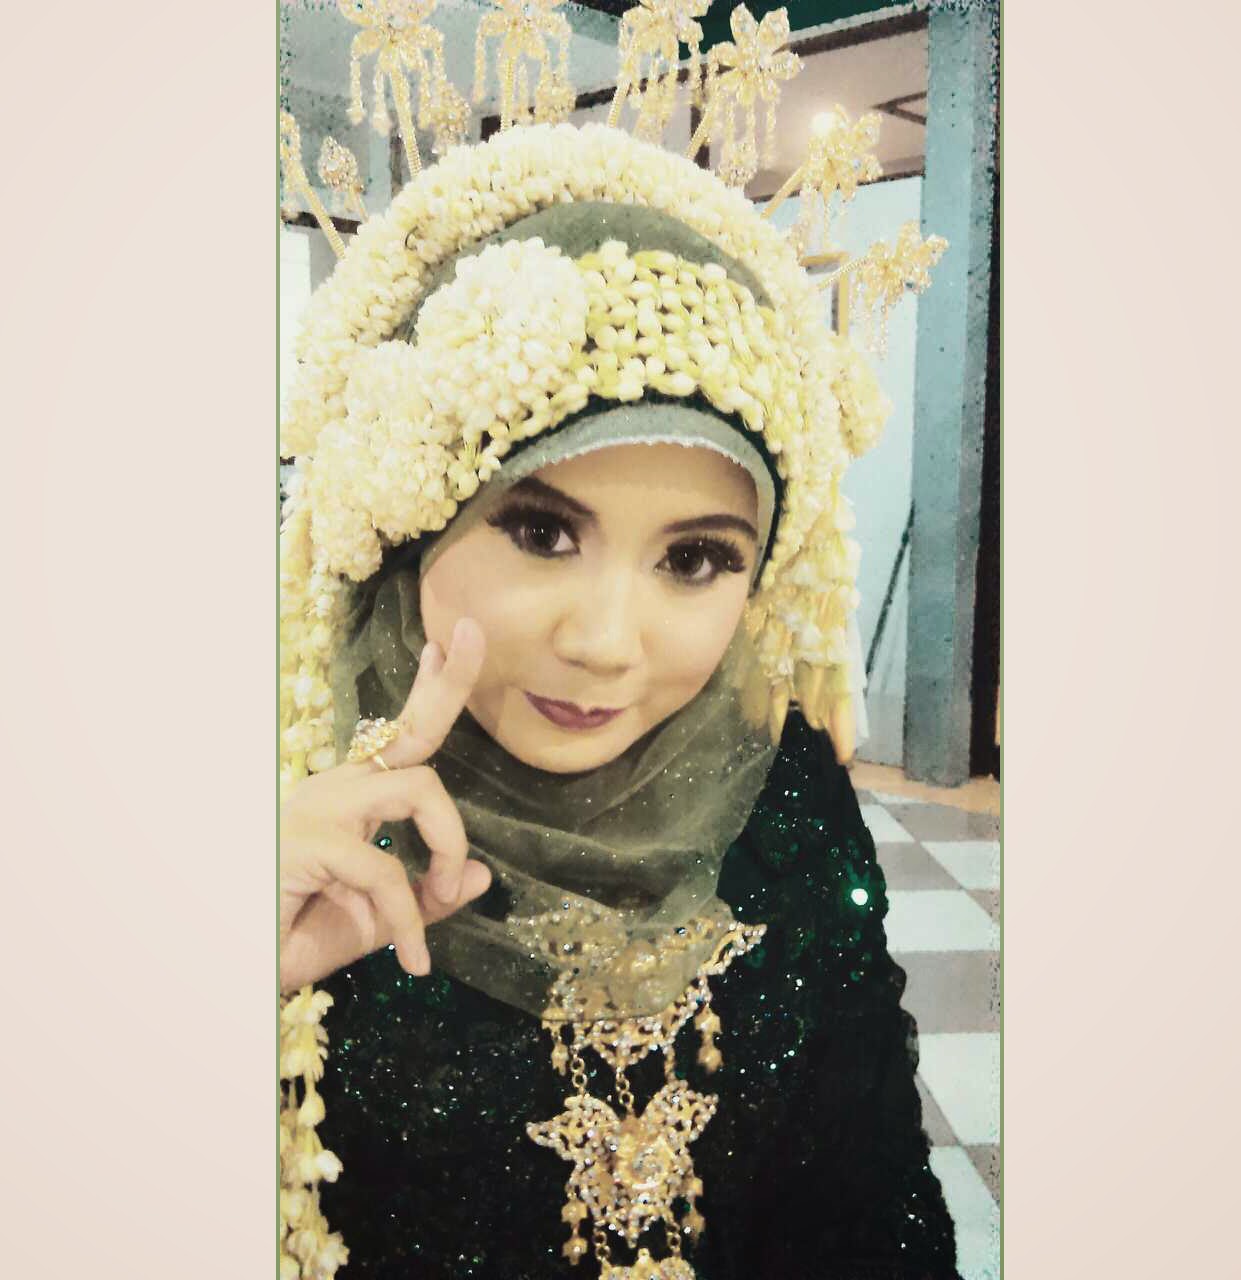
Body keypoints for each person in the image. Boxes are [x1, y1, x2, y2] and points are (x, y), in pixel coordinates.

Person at [278, 121, 957, 1280]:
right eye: (540, 531)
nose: (603, 643)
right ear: (413, 515)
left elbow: (865, 1196)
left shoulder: (780, 786)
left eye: (692, 559)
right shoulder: (277, 787)